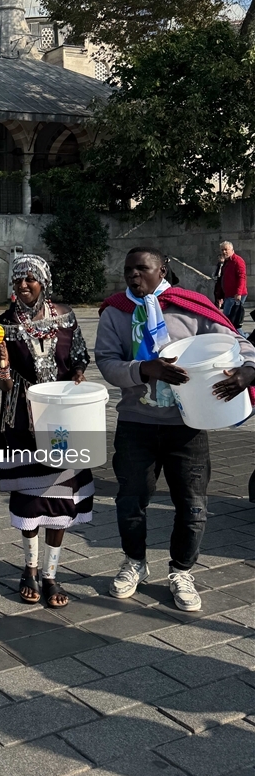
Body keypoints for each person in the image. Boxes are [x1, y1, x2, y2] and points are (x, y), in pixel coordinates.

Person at [96, 247, 255, 612]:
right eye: (128, 269)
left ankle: (182, 570)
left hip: (188, 425)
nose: (134, 275)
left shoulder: (190, 305)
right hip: (137, 423)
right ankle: (134, 561)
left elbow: (239, 341)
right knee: (130, 501)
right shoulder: (116, 313)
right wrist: (144, 369)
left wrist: (248, 371)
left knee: (193, 505)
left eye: (143, 268)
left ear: (162, 269)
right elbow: (106, 362)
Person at [0, 255, 93, 609]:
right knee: (31, 499)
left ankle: (51, 574)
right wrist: (3, 368)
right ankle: (30, 569)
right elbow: (3, 384)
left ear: (43, 282)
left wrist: (78, 374)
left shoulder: (65, 314)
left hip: (64, 415)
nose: (22, 285)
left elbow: (79, 355)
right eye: (17, 280)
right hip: (23, 418)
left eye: (30, 279)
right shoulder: (2, 324)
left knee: (61, 498)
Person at [214, 241, 247, 332]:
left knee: (230, 321)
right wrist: (221, 296)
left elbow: (242, 278)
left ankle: (243, 339)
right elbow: (223, 279)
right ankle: (243, 339)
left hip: (235, 295)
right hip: (229, 295)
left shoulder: (238, 261)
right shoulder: (227, 262)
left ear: (232, 250)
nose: (224, 252)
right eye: (222, 250)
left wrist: (239, 293)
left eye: (226, 250)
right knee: (232, 321)